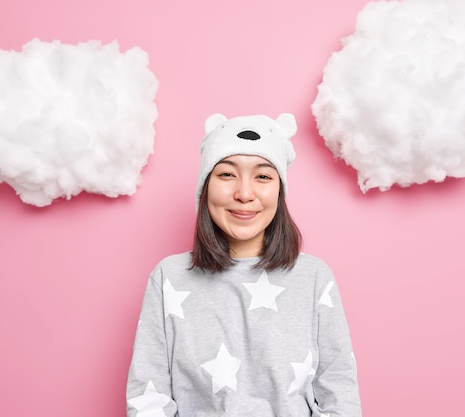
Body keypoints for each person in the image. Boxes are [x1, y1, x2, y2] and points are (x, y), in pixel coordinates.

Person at [126, 113, 361, 417]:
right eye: (226, 175)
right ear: (205, 187)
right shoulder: (168, 278)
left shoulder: (315, 279)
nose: (245, 194)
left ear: (279, 190)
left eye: (263, 176)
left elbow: (340, 394)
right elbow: (148, 401)